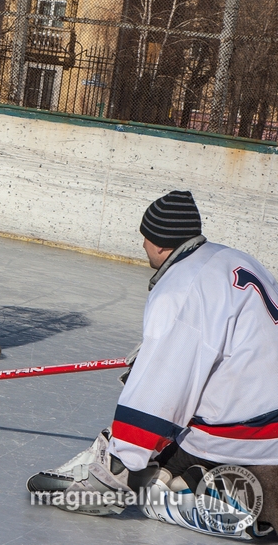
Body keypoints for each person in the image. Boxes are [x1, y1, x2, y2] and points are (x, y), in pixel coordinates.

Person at [26, 191, 278, 540]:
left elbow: (162, 387)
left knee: (151, 479)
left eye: (145, 235)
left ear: (157, 242)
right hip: (267, 413)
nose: (142, 242)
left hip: (246, 433)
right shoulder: (230, 257)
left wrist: (117, 470)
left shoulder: (180, 288)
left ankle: (187, 500)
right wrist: (156, 349)